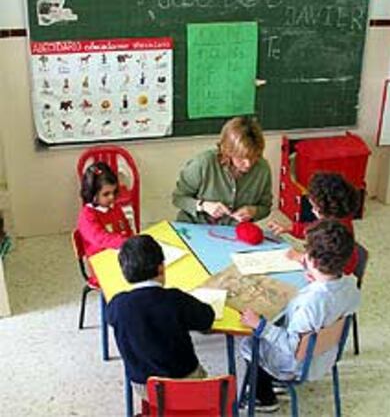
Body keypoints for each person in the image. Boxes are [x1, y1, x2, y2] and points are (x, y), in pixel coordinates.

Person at [239, 219, 361, 412]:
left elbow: (290, 346)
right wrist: (314, 276)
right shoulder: (351, 285)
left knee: (248, 345)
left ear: (312, 260)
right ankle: (275, 383)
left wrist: (260, 325)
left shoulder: (310, 304)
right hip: (325, 357)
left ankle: (265, 398)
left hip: (296, 363)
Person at [106, 235, 215, 399]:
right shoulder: (174, 299)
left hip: (144, 386)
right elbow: (207, 318)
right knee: (200, 376)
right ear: (161, 268)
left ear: (125, 273)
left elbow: (111, 318)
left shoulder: (118, 304)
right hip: (185, 382)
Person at [172, 116, 273, 225]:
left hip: (231, 233)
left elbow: (265, 207)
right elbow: (178, 198)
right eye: (241, 157)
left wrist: (254, 211)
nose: (248, 164)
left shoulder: (262, 169)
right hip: (195, 227)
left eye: (254, 156)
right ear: (228, 152)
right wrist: (203, 206)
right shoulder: (203, 163)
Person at [268, 172, 360, 274]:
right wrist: (290, 228)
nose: (312, 210)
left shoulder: (333, 233)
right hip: (335, 267)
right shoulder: (339, 218)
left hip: (334, 275)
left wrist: (300, 257)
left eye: (315, 207)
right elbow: (314, 229)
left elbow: (324, 263)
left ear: (325, 210)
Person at [77, 162, 133, 257]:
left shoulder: (114, 206)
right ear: (92, 194)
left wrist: (133, 240)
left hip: (121, 252)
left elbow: (126, 227)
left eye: (114, 192)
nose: (112, 197)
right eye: (106, 194)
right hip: (100, 258)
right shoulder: (87, 216)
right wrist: (127, 243)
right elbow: (101, 239)